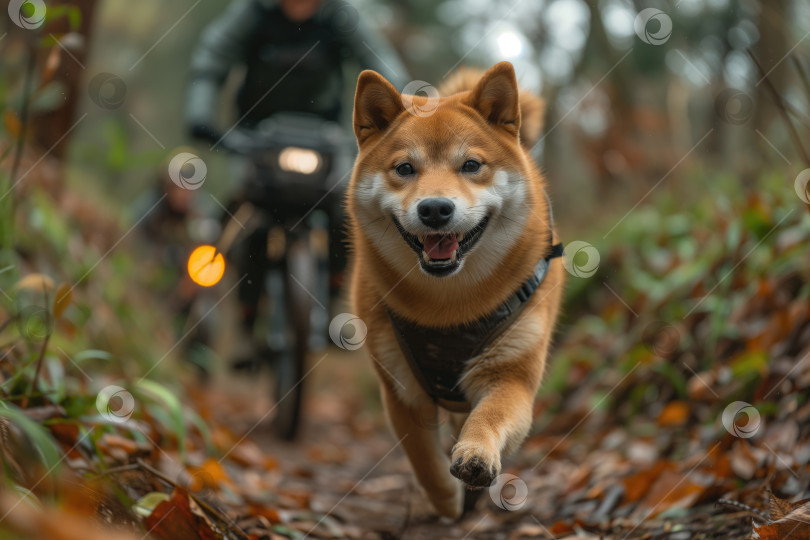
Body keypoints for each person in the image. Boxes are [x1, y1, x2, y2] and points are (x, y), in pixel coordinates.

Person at [185, 0, 407, 363]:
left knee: (346, 211)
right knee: (243, 217)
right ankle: (241, 321)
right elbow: (212, 58)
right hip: (255, 138)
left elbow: (379, 61)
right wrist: (199, 113)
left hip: (324, 139)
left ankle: (336, 299)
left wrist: (400, 113)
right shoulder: (253, 13)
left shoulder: (339, 15)